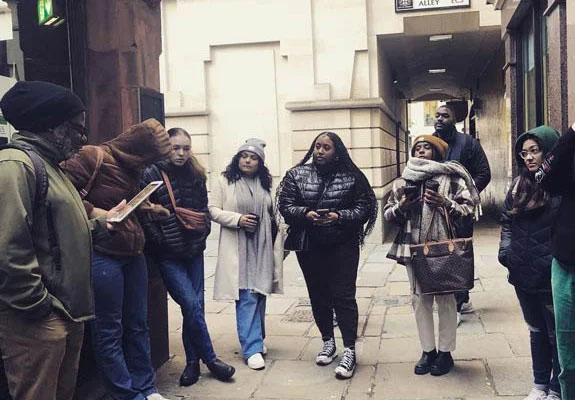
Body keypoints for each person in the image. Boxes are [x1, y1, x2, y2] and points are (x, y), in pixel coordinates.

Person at [0, 81, 124, 400]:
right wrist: (40, 308)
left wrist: (101, 224)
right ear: (53, 126)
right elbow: (7, 249)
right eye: (77, 128)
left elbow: (59, 232)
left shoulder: (51, 167)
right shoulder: (17, 166)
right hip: (39, 319)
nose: (83, 137)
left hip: (66, 314)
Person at [62, 119, 172, 400]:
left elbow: (123, 202)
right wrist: (93, 210)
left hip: (132, 252)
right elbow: (61, 195)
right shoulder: (91, 156)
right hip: (103, 255)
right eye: (151, 157)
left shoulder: (133, 167)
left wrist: (148, 207)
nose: (151, 164)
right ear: (139, 149)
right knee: (109, 329)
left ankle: (146, 387)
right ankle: (124, 393)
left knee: (138, 323)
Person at [277, 131, 377, 380]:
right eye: (317, 147)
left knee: (343, 296)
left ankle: (350, 350)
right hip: (310, 245)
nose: (320, 151)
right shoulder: (296, 174)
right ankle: (328, 341)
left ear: (337, 151)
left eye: (326, 147)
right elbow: (285, 204)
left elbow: (364, 206)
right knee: (318, 295)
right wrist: (306, 214)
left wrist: (339, 216)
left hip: (342, 245)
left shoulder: (352, 176)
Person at [141, 128, 235, 386]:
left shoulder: (196, 173)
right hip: (168, 254)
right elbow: (145, 215)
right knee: (191, 304)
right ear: (164, 147)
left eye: (186, 148)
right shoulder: (150, 173)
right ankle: (211, 359)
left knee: (194, 308)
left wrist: (203, 233)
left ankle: (192, 363)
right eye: (175, 147)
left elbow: (203, 209)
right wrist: (161, 243)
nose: (181, 153)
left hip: (194, 251)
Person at [384, 135, 479, 377]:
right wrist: (402, 206)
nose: (422, 151)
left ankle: (445, 352)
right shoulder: (402, 181)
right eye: (418, 147)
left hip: (443, 247)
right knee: (420, 300)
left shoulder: (453, 178)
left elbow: (468, 211)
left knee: (446, 300)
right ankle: (428, 350)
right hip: (413, 247)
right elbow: (388, 215)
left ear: (437, 152)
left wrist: (445, 202)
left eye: (427, 147)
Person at [209, 139, 284, 371]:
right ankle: (251, 348)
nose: (247, 160)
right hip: (238, 246)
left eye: (253, 157)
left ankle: (257, 340)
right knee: (246, 295)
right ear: (237, 158)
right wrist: (238, 220)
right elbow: (212, 210)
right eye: (244, 156)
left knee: (260, 293)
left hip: (262, 246)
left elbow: (275, 213)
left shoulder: (266, 184)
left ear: (260, 162)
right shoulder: (224, 180)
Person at [498, 126, 561, 400]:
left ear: (549, 150)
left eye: (535, 150)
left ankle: (557, 387)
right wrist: (506, 254)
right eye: (524, 153)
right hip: (522, 271)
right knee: (536, 329)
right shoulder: (518, 185)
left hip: (551, 272)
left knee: (556, 333)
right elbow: (506, 222)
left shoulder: (561, 184)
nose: (529, 158)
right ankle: (540, 385)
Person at [433, 104, 491, 322]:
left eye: (444, 116)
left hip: (460, 210)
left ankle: (457, 304)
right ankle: (458, 298)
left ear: (454, 119)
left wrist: (463, 193)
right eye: (437, 115)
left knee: (460, 253)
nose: (439, 119)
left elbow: (484, 173)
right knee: (442, 254)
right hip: (437, 209)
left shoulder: (468, 143)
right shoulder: (430, 142)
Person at [536, 122, 575, 399]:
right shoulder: (570, 150)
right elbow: (544, 176)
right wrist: (572, 133)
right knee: (568, 355)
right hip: (566, 262)